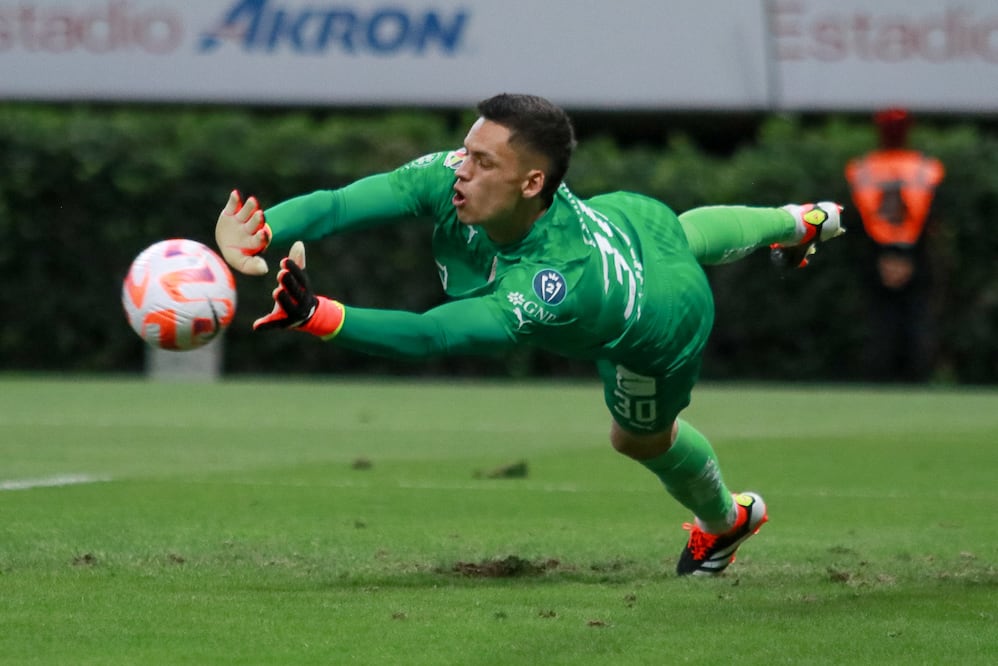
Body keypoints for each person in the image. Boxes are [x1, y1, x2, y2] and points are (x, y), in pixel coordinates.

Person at [215, 93, 844, 576]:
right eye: (466, 150)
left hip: (660, 321)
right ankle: (800, 221)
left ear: (532, 183)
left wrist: (316, 314)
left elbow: (434, 337)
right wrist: (261, 229)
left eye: (483, 162)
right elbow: (338, 204)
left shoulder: (553, 281)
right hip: (631, 216)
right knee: (676, 231)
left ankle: (728, 519)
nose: (461, 169)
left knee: (637, 438)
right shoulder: (455, 176)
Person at [845, 108, 944, 382]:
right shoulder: (926, 167)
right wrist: (907, 257)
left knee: (883, 323)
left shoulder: (862, 168)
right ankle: (916, 379)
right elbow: (934, 216)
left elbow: (853, 218)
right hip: (917, 254)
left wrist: (886, 257)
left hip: (877, 255)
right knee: (915, 321)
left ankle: (882, 379)